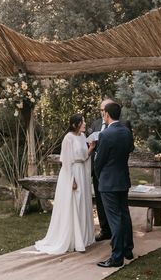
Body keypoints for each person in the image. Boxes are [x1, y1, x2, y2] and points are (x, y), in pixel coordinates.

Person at [35, 114, 96, 254]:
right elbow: (66, 161)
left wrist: (91, 147)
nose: (85, 124)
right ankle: (73, 239)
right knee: (73, 203)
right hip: (72, 173)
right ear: (75, 124)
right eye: (82, 122)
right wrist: (72, 180)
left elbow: (83, 157)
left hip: (82, 173)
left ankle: (83, 237)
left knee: (82, 204)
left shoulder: (82, 137)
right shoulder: (68, 138)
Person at [94, 102, 135, 268]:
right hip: (123, 179)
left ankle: (116, 257)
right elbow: (130, 149)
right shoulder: (126, 132)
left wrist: (100, 176)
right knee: (124, 215)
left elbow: (99, 161)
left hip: (108, 182)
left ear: (107, 115)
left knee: (115, 219)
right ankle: (127, 249)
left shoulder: (106, 135)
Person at [89, 98, 114, 242]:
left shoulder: (120, 124)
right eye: (100, 109)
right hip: (97, 169)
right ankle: (105, 230)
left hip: (111, 169)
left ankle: (115, 229)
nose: (102, 112)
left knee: (112, 201)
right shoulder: (96, 124)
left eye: (104, 109)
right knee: (100, 200)